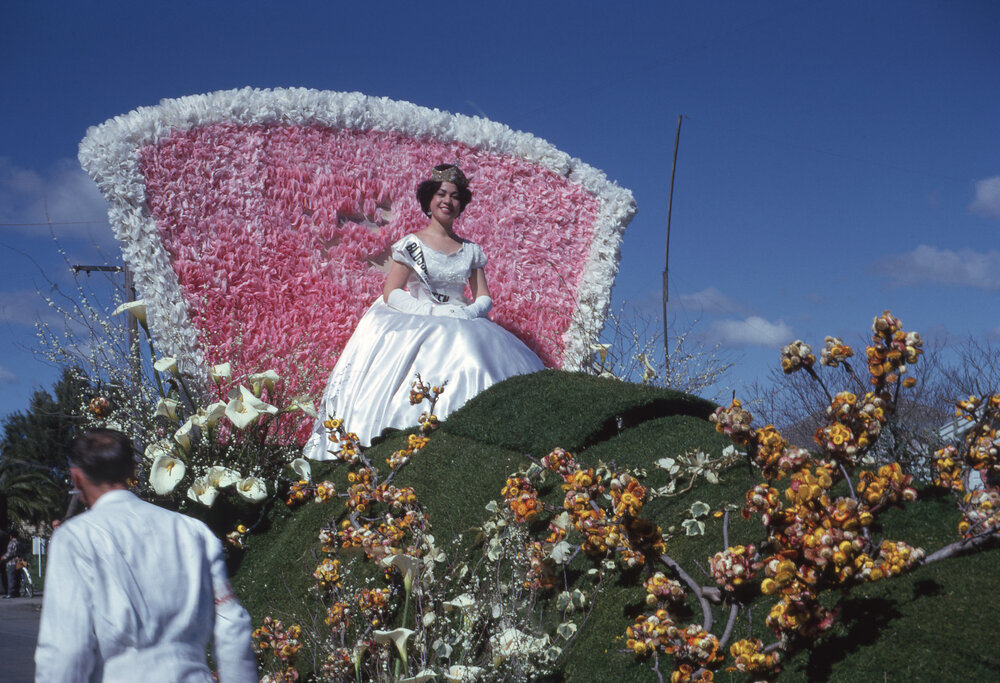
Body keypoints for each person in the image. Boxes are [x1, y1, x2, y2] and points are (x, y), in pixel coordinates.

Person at [303, 164, 544, 457]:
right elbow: (392, 292)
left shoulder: (470, 250)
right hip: (420, 317)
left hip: (461, 318)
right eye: (441, 194)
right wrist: (432, 314)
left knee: (474, 354)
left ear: (461, 204)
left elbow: (484, 297)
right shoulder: (411, 244)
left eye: (455, 196)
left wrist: (467, 313)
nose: (448, 201)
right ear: (429, 200)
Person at [35, 428, 257, 682]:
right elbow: (232, 627)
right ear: (133, 471)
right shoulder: (194, 531)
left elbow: (66, 650)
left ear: (76, 478)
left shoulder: (75, 538)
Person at [1, 529, 22, 598]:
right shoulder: (19, 542)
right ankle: (17, 592)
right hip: (20, 561)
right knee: (18, 577)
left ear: (11, 536)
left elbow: (10, 553)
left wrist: (3, 557)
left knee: (11, 577)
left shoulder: (11, 543)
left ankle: (11, 593)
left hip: (13, 562)